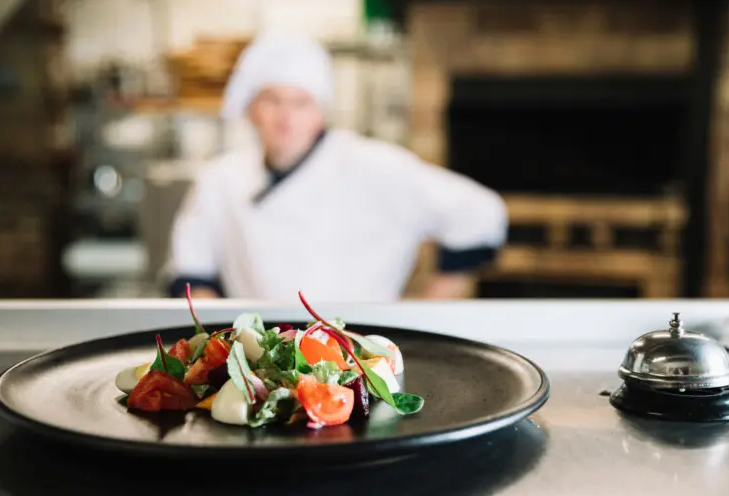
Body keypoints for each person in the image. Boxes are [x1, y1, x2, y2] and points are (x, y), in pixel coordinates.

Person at [166, 32, 507, 302]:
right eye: (272, 100)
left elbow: (480, 214)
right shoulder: (219, 179)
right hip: (258, 356)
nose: (286, 117)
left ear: (321, 111)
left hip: (362, 351)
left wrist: (424, 315)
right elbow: (192, 273)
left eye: (301, 102)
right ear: (250, 109)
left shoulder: (378, 166)